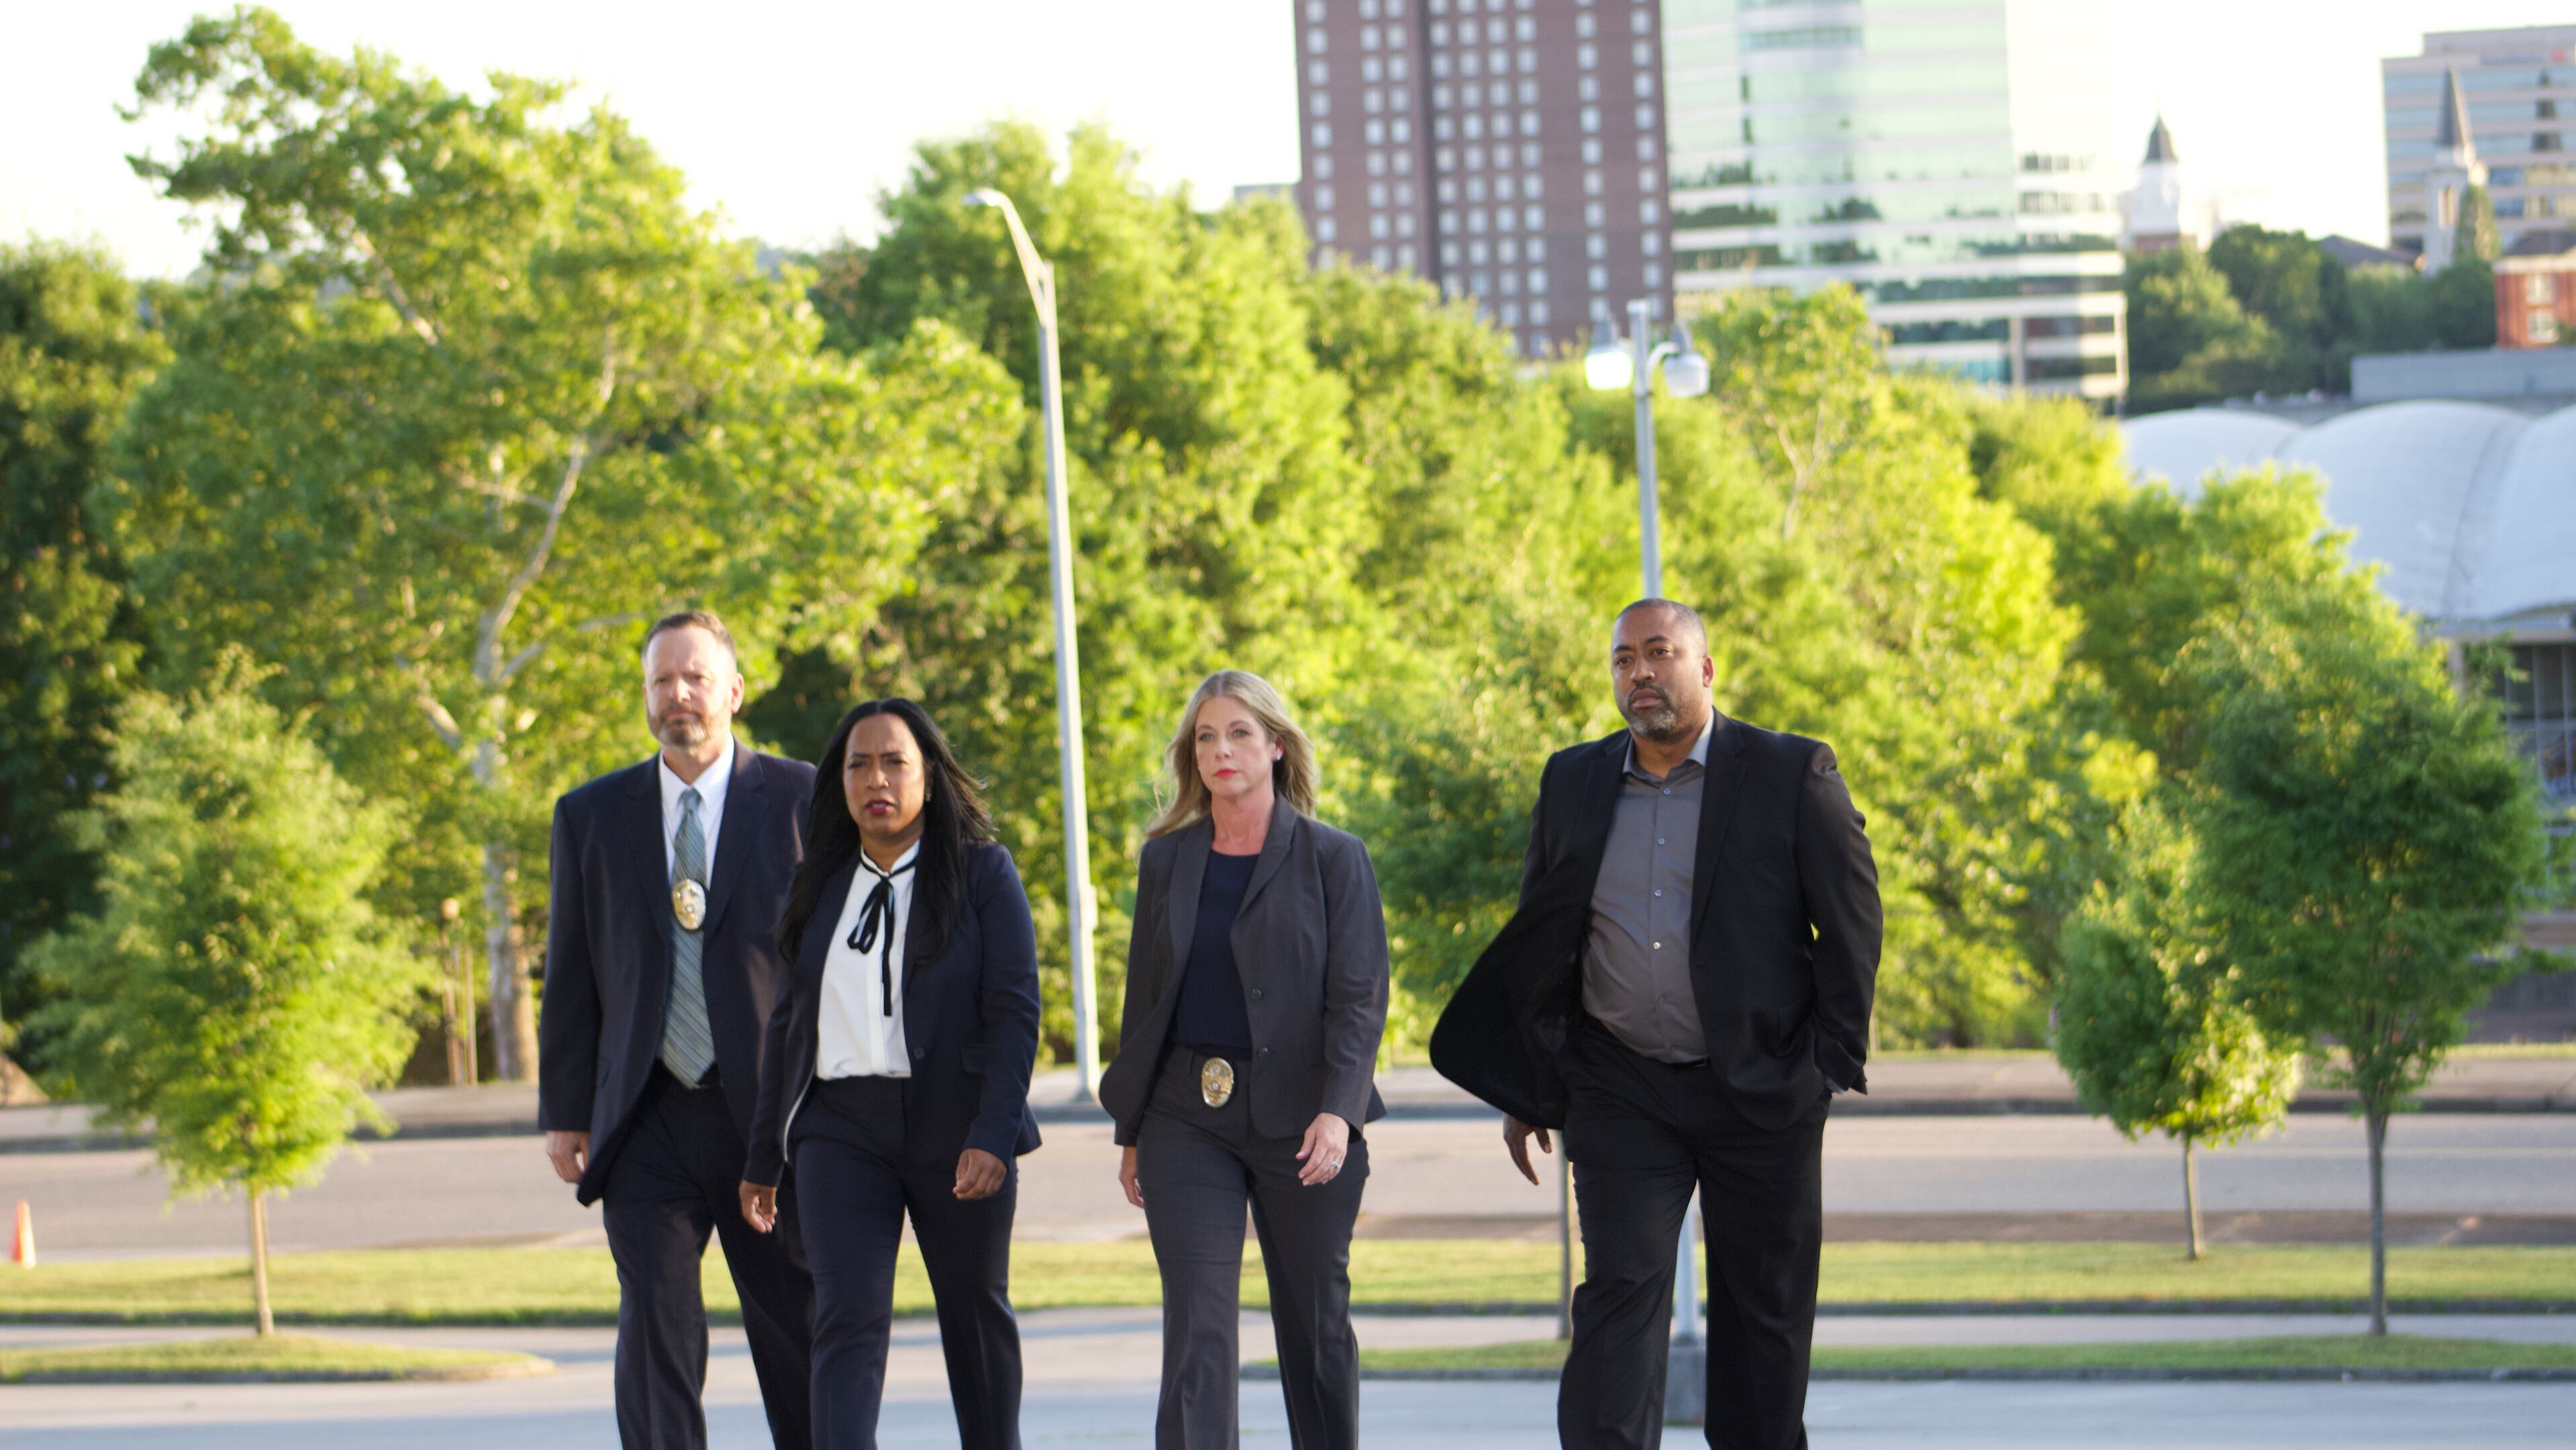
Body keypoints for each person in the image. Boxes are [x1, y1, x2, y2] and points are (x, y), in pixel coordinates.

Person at [1430, 599, 1881, 1450]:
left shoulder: (1793, 773)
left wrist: (1826, 1061)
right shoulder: (1572, 780)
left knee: (1764, 1311)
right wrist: (1530, 1082)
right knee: (1618, 1298)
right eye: (1622, 658)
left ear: (1705, 670)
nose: (1639, 671)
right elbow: (1542, 937)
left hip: (1762, 1089)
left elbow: (1853, 921)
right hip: (1619, 1083)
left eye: (1660, 653)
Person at [538, 610, 816, 1450]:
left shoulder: (803, 798)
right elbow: (572, 971)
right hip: (645, 1116)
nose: (679, 694)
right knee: (654, 1332)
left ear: (733, 690)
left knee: (795, 1331)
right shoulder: (591, 816)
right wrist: (565, 1109)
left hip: (768, 1120)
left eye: (696, 677)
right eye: (662, 680)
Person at [1097, 670, 1391, 1450]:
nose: (1220, 750)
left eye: (1238, 734)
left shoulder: (1335, 858)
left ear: (1275, 746)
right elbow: (1146, 996)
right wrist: (1131, 1127)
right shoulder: (1166, 860)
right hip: (1183, 1116)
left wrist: (1340, 1110)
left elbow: (1360, 1000)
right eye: (1204, 737)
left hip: (1305, 1115)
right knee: (1197, 1320)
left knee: (1315, 1324)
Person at [738, 698, 1042, 1450]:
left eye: (894, 761)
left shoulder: (981, 873)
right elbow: (787, 1027)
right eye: (858, 764)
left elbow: (1015, 1012)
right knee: (844, 1322)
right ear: (839, 783)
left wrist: (992, 1136)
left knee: (974, 1317)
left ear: (930, 778)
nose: (877, 778)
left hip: (957, 1127)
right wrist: (762, 1160)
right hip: (840, 1133)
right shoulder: (816, 885)